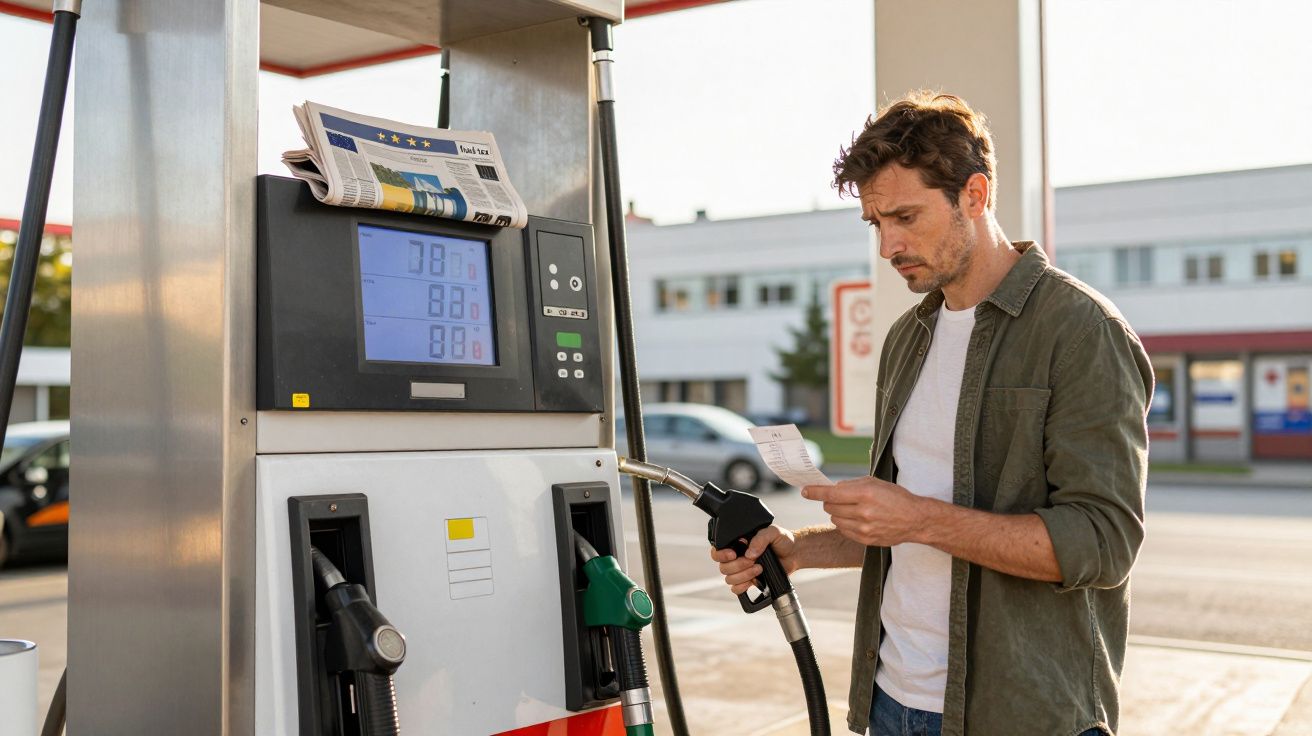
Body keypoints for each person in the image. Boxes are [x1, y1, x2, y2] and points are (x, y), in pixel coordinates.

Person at [713, 91, 1153, 736]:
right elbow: (908, 531)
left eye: (906, 216)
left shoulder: (1082, 332)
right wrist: (798, 549)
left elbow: (1103, 544)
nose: (889, 244)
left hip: (1021, 716)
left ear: (973, 195)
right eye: (875, 223)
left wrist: (918, 516)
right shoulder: (908, 338)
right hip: (893, 702)